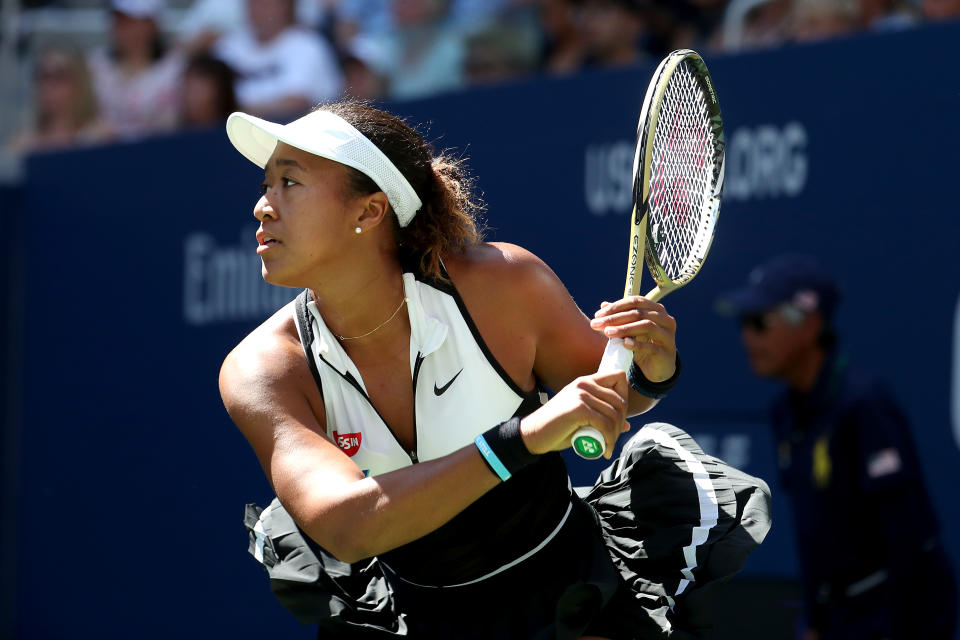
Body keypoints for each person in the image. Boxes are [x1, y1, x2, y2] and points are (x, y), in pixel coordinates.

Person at [220, 100, 771, 638]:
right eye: (266, 185)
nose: (263, 206)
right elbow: (344, 526)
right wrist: (523, 439)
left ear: (369, 210)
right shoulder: (264, 368)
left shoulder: (502, 286)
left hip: (570, 587)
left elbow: (614, 397)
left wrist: (650, 369)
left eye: (289, 183)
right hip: (417, 614)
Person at [718, 253, 957, 640]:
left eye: (759, 322)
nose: (747, 337)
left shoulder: (864, 404)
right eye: (744, 323)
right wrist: (814, 619)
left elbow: (906, 537)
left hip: (898, 616)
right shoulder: (785, 412)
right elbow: (813, 531)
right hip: (837, 615)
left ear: (809, 325)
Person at [212, 0, 343, 119]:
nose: (258, 8)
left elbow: (297, 103)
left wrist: (236, 111)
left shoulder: (309, 46)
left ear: (286, 5)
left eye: (265, 3)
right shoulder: (226, 48)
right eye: (253, 2)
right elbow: (208, 105)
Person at [87, 0, 185, 139]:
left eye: (128, 20)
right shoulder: (96, 65)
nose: (119, 26)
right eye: (117, 18)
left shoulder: (176, 69)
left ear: (151, 23)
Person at [7, 48, 112, 155]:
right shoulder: (25, 145)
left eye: (59, 75)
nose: (48, 85)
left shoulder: (99, 139)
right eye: (43, 76)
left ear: (80, 82)